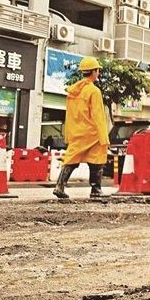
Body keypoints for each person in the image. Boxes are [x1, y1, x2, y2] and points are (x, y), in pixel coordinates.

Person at [54, 57, 109, 199]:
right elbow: (98, 115)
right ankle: (96, 189)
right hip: (92, 132)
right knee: (97, 159)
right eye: (97, 70)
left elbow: (71, 114)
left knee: (72, 158)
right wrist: (103, 135)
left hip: (77, 130)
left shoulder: (74, 91)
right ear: (94, 72)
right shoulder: (94, 91)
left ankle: (59, 185)